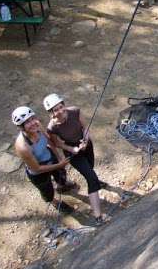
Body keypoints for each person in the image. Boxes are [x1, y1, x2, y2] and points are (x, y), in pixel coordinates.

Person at [43, 93, 110, 225]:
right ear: (51, 112)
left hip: (85, 144)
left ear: (64, 105)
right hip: (72, 152)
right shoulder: (52, 127)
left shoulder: (74, 111)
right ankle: (98, 216)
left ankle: (95, 182)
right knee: (91, 177)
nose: (60, 111)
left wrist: (85, 140)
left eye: (61, 107)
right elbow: (57, 143)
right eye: (56, 110)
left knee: (90, 167)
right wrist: (72, 149)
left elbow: (85, 127)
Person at [12, 106, 74, 214]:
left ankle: (62, 185)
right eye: (27, 122)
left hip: (49, 157)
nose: (32, 123)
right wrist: (59, 165)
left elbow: (49, 142)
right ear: (21, 127)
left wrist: (59, 158)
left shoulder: (38, 126)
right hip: (38, 172)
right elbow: (37, 168)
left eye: (32, 118)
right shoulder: (22, 146)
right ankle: (54, 201)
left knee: (61, 175)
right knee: (47, 190)